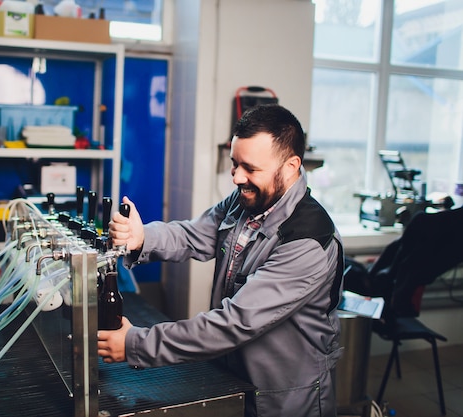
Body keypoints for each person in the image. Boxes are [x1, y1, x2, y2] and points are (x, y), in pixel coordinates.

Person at [98, 104, 345, 417]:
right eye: (234, 164)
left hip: (283, 398)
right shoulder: (248, 200)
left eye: (250, 168)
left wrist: (136, 344)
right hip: (232, 378)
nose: (237, 177)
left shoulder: (308, 241)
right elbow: (195, 235)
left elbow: (234, 323)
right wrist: (141, 237)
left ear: (291, 166)